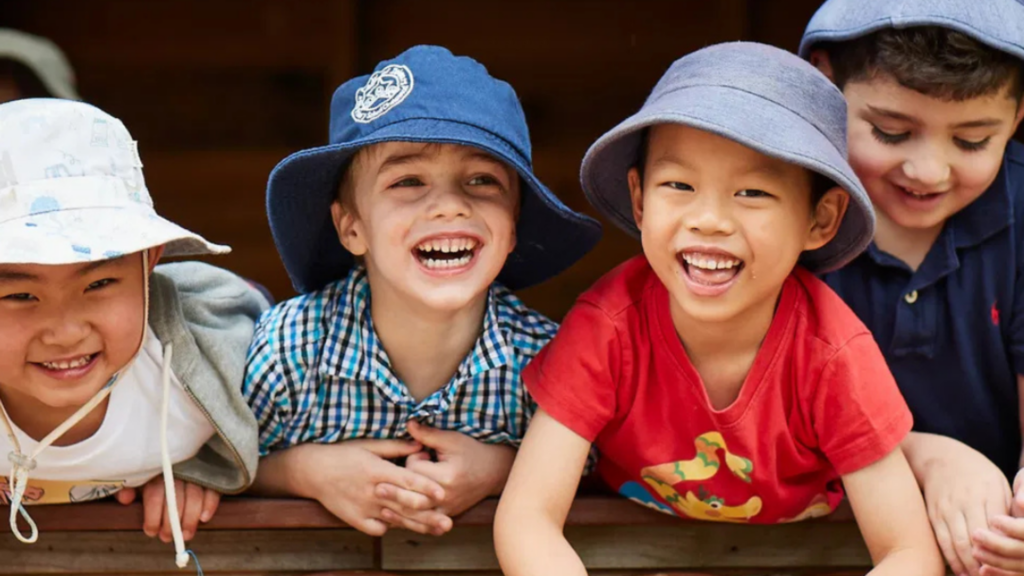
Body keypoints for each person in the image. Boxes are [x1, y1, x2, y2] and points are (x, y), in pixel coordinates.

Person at [494, 42, 942, 575]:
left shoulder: (831, 353)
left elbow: (908, 552)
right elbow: (527, 517)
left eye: (751, 192)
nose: (709, 220)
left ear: (820, 220)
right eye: (678, 185)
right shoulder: (607, 325)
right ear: (640, 200)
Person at [243, 45, 601, 537]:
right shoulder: (287, 348)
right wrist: (303, 473)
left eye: (481, 180)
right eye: (408, 180)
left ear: (514, 226)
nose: (450, 206)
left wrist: (503, 469)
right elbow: (211, 464)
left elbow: (601, 465)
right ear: (352, 228)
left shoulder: (546, 360)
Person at [800, 1, 1024, 573]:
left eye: (972, 141)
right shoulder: (779, 207)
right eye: (891, 131)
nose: (928, 170)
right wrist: (925, 456)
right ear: (824, 80)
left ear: (1018, 113)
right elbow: (766, 413)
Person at [0, 99, 266, 566]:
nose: (65, 332)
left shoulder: (210, 351)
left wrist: (204, 466)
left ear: (151, 263)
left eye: (99, 284)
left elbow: (309, 412)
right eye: (19, 296)